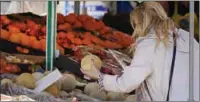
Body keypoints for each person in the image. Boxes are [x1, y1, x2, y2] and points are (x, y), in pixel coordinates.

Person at [81, 1, 199, 101]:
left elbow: (126, 84)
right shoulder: (187, 38)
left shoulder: (150, 43)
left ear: (141, 23)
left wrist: (99, 77)